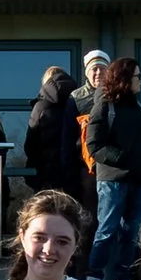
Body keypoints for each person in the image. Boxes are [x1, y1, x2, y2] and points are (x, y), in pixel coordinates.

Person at [85, 56, 141, 280]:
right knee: (107, 229)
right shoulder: (105, 104)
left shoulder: (137, 106)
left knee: (131, 232)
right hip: (113, 180)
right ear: (125, 78)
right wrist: (122, 158)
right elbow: (94, 145)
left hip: (139, 178)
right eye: (137, 76)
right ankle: (94, 279)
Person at [24, 65, 91, 209]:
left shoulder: (41, 107)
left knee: (45, 212)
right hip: (75, 171)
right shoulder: (78, 103)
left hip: (46, 172)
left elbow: (30, 143)